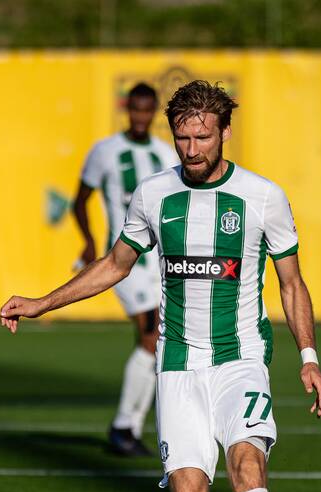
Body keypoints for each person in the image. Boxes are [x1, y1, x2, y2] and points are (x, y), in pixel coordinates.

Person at [1, 80, 321, 492]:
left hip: (240, 358)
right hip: (177, 365)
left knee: (247, 462)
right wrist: (41, 303)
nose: (192, 149)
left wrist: (308, 356)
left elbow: (291, 283)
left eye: (203, 137)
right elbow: (115, 265)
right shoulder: (153, 195)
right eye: (182, 138)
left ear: (225, 132)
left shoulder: (262, 196)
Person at [73, 82, 179, 457]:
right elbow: (80, 201)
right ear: (127, 110)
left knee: (158, 343)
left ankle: (130, 427)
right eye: (135, 109)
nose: (140, 116)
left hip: (159, 263)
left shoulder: (165, 154)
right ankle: (123, 426)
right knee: (151, 337)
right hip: (124, 262)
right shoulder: (105, 151)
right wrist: (88, 242)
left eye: (147, 110)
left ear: (154, 113)